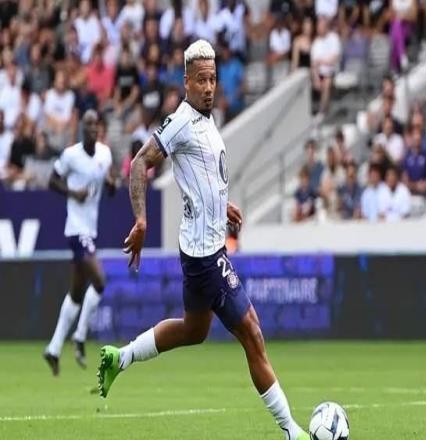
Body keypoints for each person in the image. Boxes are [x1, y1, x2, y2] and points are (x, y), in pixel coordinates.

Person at [97, 40, 309, 440]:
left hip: (200, 249)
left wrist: (221, 204)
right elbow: (140, 163)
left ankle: (119, 357)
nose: (209, 87)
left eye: (212, 79)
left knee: (194, 330)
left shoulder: (206, 120)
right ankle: (292, 432)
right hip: (206, 256)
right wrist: (141, 219)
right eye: (201, 80)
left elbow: (202, 175)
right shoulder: (180, 122)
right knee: (252, 333)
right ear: (186, 82)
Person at [43, 110, 115, 376]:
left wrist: (111, 184)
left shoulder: (105, 154)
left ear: (100, 129)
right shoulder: (70, 155)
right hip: (76, 229)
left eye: (96, 124)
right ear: (82, 129)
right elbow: (52, 181)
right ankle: (80, 335)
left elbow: (109, 184)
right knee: (100, 282)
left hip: (90, 231)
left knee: (75, 294)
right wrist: (73, 193)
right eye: (88, 125)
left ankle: (53, 349)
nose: (92, 128)